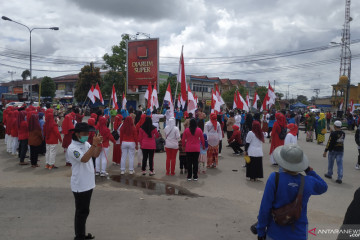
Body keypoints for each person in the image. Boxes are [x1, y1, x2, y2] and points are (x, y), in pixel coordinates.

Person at [257, 144, 328, 240]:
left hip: (276, 233)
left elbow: (265, 208)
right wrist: (309, 170)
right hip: (299, 233)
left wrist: (261, 231)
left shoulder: (274, 178)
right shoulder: (308, 181)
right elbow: (323, 186)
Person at [67, 122, 102, 240]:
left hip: (88, 183)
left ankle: (81, 234)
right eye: (84, 133)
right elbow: (84, 159)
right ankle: (79, 236)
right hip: (80, 184)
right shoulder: (72, 148)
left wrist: (98, 145)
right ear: (77, 134)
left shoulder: (86, 143)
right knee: (81, 211)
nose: (87, 135)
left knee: (85, 211)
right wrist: (93, 145)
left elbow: (95, 155)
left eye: (88, 133)